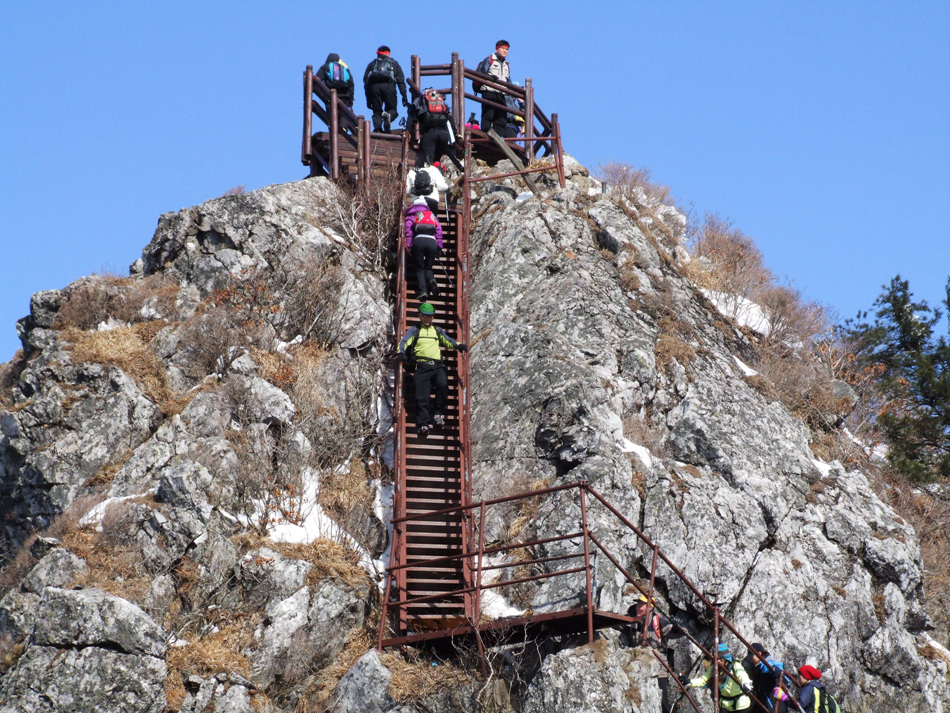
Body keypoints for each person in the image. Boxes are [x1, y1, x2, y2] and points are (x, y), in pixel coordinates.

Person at [396, 303, 467, 436]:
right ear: (419, 315)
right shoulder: (414, 330)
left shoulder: (437, 330)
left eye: (429, 316)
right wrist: (401, 353)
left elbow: (448, 341)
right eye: (424, 315)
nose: (427, 318)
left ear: (433, 316)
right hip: (421, 367)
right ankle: (423, 424)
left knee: (443, 384)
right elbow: (404, 342)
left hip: (437, 366)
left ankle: (438, 415)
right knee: (421, 397)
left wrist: (459, 346)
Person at [626, 594, 679, 712]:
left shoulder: (659, 622)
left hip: (659, 670)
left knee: (663, 704)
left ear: (650, 607)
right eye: (637, 604)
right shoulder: (632, 621)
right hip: (638, 670)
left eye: (641, 604)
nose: (637, 607)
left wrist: (677, 626)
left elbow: (675, 633)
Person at [681, 643, 754, 712]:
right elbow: (703, 680)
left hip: (741, 705)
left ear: (726, 658)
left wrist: (745, 683)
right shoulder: (714, 668)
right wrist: (689, 682)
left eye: (720, 659)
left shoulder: (735, 665)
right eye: (716, 659)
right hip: (725, 705)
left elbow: (741, 674)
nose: (718, 661)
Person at [409, 88, 460, 167]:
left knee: (429, 162)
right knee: (436, 160)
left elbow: (412, 119)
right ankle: (440, 170)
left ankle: (433, 172)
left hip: (429, 135)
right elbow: (450, 120)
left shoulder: (420, 103)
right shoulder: (442, 105)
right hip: (444, 135)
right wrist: (456, 136)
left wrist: (408, 132)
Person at [404, 195, 443, 299]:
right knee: (428, 267)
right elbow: (439, 231)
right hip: (432, 242)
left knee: (420, 269)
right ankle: (431, 280)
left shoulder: (412, 215)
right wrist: (439, 247)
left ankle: (423, 292)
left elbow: (409, 232)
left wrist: (409, 245)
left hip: (419, 241)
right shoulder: (432, 215)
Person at [363, 46, 408, 132]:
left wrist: (368, 100)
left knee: (376, 111)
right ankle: (388, 116)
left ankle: (378, 128)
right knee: (392, 109)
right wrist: (404, 96)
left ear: (377, 53)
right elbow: (400, 81)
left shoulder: (372, 64)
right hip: (389, 86)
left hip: (374, 88)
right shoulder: (394, 63)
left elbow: (366, 82)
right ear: (388, 53)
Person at [474, 40, 511, 136]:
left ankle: (499, 137)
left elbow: (508, 80)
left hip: (501, 93)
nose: (505, 51)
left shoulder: (506, 64)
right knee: (488, 114)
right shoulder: (489, 60)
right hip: (489, 91)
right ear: (497, 48)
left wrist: (512, 89)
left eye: (506, 49)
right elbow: (482, 73)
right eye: (503, 48)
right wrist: (490, 78)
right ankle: (486, 134)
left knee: (501, 117)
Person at [741, 643, 788, 712]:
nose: (751, 659)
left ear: (759, 653)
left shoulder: (768, 663)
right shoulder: (756, 666)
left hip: (772, 704)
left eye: (752, 656)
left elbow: (776, 671)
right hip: (763, 703)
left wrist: (774, 670)